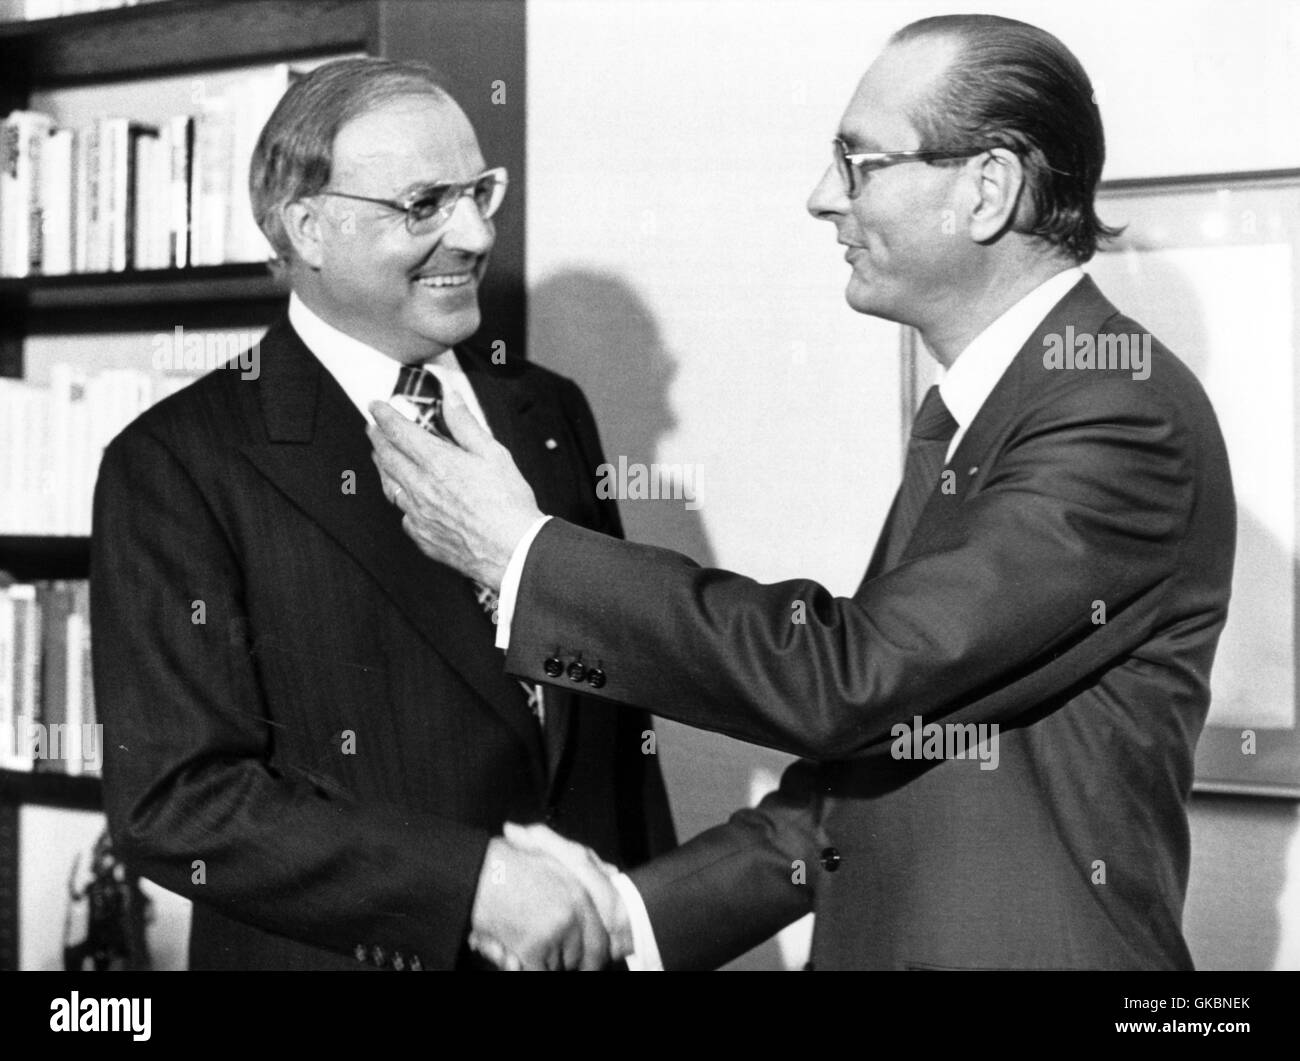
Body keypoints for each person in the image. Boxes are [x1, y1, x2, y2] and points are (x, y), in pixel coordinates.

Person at [369, 15, 1236, 970]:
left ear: (988, 190)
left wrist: (521, 553)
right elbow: (863, 767)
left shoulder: (1119, 418)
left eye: (859, 163)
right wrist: (631, 912)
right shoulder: (997, 411)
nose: (824, 198)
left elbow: (846, 682)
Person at [92, 57, 674, 972]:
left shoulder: (548, 411)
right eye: (425, 204)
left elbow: (615, 718)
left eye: (481, 191)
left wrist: (651, 933)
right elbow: (178, 800)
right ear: (308, 227)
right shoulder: (175, 461)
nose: (477, 233)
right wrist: (471, 886)